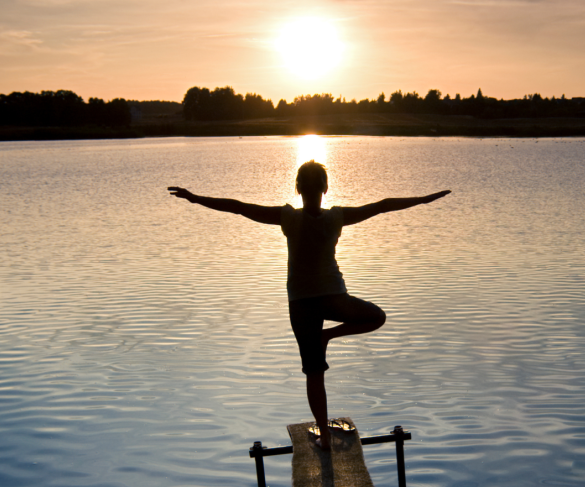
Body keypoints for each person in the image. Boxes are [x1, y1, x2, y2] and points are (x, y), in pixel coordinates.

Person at [168, 161, 450, 449]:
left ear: (298, 188)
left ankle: (325, 436)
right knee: (376, 317)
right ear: (326, 188)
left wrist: (195, 198)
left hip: (301, 304)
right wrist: (422, 200)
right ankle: (327, 337)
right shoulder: (336, 218)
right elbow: (381, 205)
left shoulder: (287, 217)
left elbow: (238, 206)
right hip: (333, 299)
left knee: (314, 372)